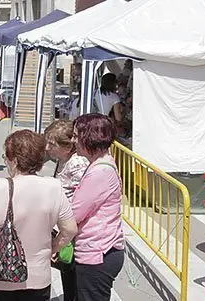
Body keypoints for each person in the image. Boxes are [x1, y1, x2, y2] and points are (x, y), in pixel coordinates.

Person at [0, 130, 78, 301]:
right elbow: (70, 230)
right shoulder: (54, 187)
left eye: (6, 157)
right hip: (38, 276)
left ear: (15, 160)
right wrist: (52, 248)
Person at [70, 113, 125, 301]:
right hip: (100, 250)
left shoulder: (100, 172)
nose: (73, 140)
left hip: (98, 253)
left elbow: (74, 213)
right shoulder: (101, 164)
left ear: (89, 137)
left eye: (76, 136)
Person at [44, 119, 89, 301]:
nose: (47, 148)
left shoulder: (77, 164)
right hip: (65, 227)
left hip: (75, 231)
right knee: (67, 274)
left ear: (67, 146)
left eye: (52, 144)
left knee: (73, 277)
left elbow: (83, 200)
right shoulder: (63, 160)